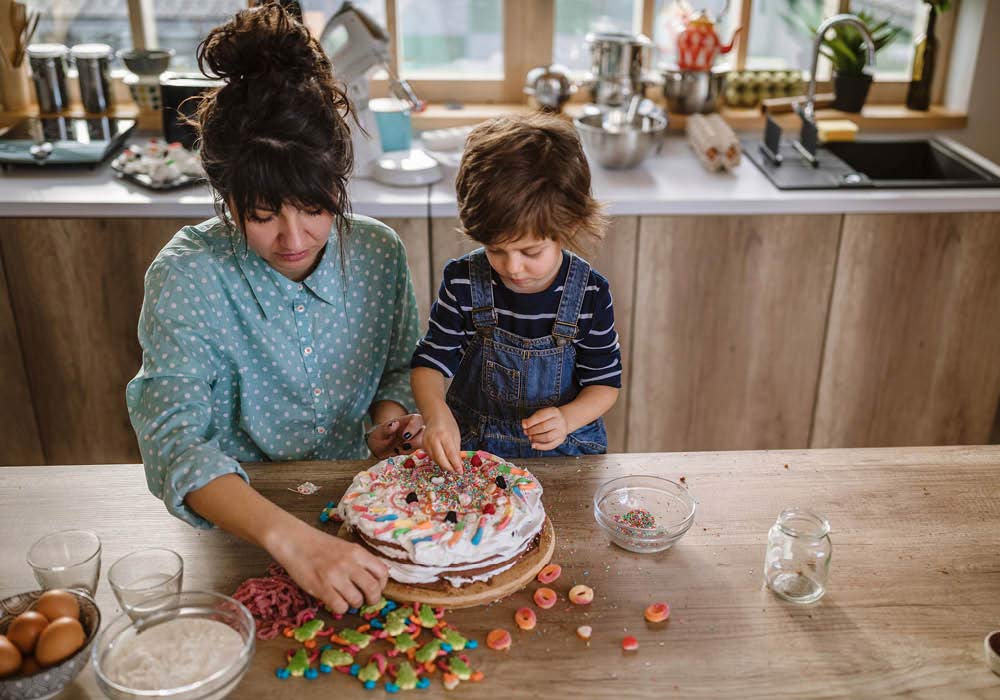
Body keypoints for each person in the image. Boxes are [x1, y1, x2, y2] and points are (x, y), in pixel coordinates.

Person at [126, 5, 423, 613]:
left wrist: (387, 425)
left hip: (355, 516)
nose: (293, 238)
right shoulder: (189, 274)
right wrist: (294, 543)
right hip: (241, 526)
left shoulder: (377, 251)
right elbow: (175, 444)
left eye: (314, 207)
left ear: (338, 181)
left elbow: (398, 365)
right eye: (262, 215)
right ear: (225, 197)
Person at [411, 114, 622, 473]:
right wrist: (436, 415)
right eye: (495, 250)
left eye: (530, 252)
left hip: (564, 455)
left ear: (567, 227)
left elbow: (605, 384)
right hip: (475, 454)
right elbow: (429, 365)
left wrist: (567, 418)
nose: (512, 267)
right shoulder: (463, 282)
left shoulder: (589, 293)